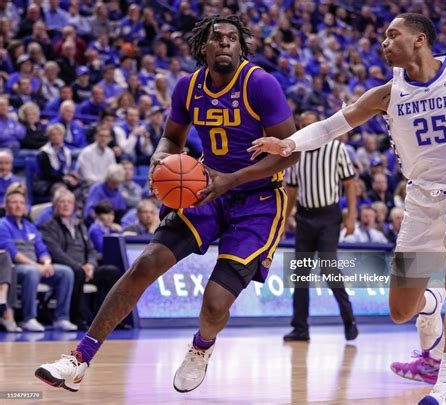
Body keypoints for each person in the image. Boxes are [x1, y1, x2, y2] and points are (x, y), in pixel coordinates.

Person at [35, 15, 298, 394]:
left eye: (232, 38)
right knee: (145, 264)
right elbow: (171, 139)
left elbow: (290, 153)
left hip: (258, 199)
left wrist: (234, 179)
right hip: (207, 189)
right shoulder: (188, 87)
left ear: (241, 47)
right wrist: (161, 160)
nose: (224, 43)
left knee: (214, 303)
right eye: (216, 38)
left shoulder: (260, 84)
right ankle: (78, 359)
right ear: (203, 47)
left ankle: (200, 348)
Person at [248, 13, 446, 405]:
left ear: (419, 40)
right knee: (401, 310)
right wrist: (288, 146)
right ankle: (433, 302)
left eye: (392, 35)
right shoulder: (387, 93)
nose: (384, 43)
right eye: (383, 36)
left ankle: (445, 387)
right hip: (420, 203)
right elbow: (332, 125)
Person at [283, 111, 359, 342]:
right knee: (300, 274)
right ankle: (300, 328)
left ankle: (349, 319)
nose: (306, 129)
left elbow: (349, 184)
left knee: (329, 269)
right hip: (305, 218)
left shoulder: (336, 149)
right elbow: (292, 190)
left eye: (310, 125)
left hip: (329, 217)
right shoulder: (297, 153)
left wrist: (352, 216)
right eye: (303, 125)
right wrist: (286, 217)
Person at [40, 189, 121, 330]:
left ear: (74, 206)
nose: (66, 205)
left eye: (69, 202)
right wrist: (80, 266)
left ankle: (107, 319)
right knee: (77, 272)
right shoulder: (48, 227)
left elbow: (91, 250)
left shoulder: (80, 226)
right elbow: (56, 253)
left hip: (86, 268)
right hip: (67, 268)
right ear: (55, 205)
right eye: (62, 202)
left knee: (111, 272)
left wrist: (90, 264)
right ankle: (78, 318)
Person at [0, 184, 76, 332]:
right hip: (15, 268)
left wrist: (47, 263)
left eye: (21, 203)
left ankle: (61, 318)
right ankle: (29, 318)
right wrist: (37, 266)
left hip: (36, 265)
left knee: (66, 272)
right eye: (14, 202)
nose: (18, 206)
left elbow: (41, 249)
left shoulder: (30, 226)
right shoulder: (2, 225)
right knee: (31, 272)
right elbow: (12, 253)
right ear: (6, 206)